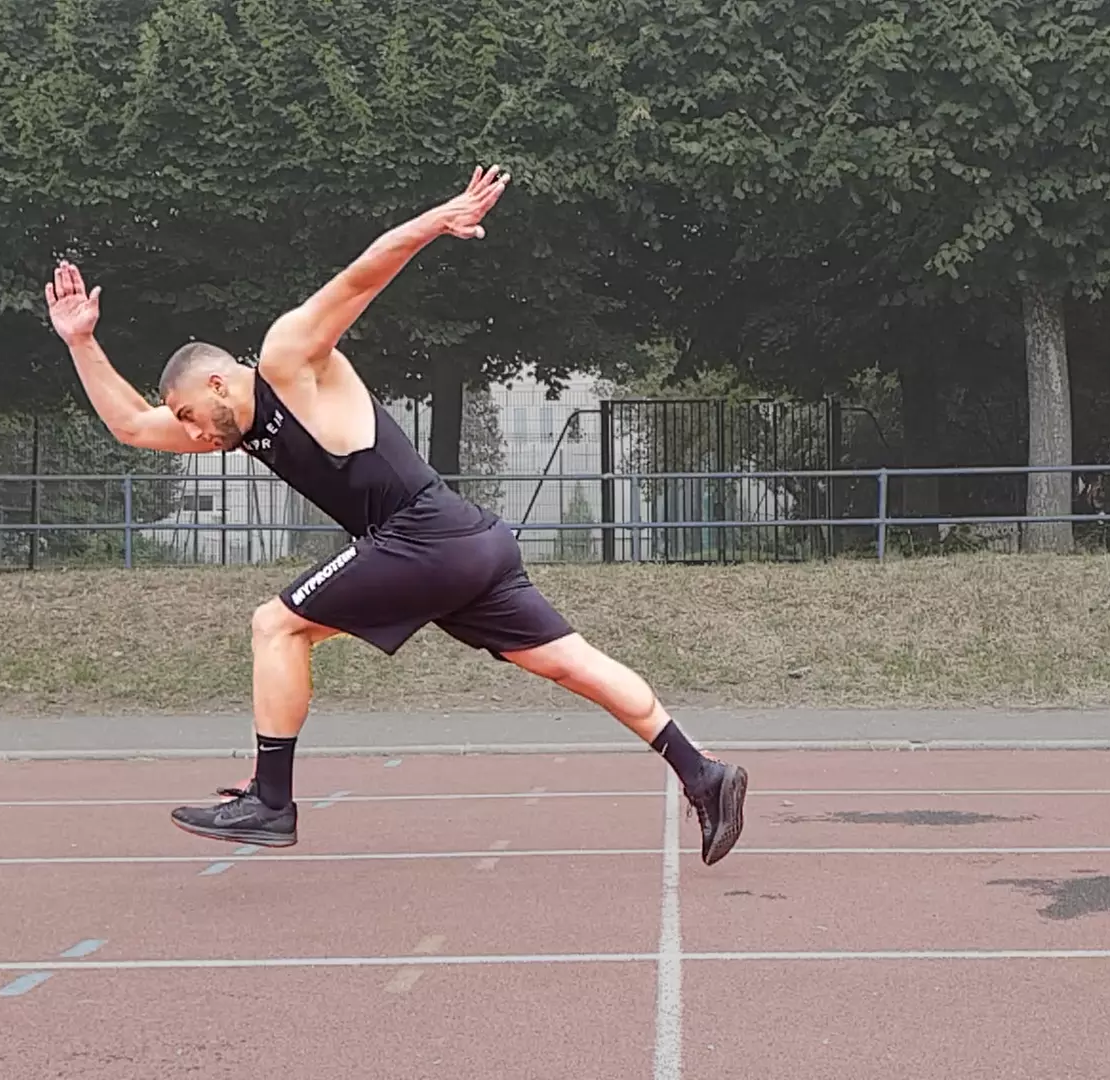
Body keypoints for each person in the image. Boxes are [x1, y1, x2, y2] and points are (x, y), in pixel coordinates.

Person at [42, 165, 748, 865]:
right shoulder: (235, 424)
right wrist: (81, 341)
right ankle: (703, 773)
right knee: (569, 663)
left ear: (219, 381)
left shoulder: (290, 357)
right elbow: (134, 425)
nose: (193, 435)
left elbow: (359, 276)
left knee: (276, 624)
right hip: (465, 540)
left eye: (192, 415)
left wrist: (440, 221)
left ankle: (272, 801)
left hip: (425, 534)